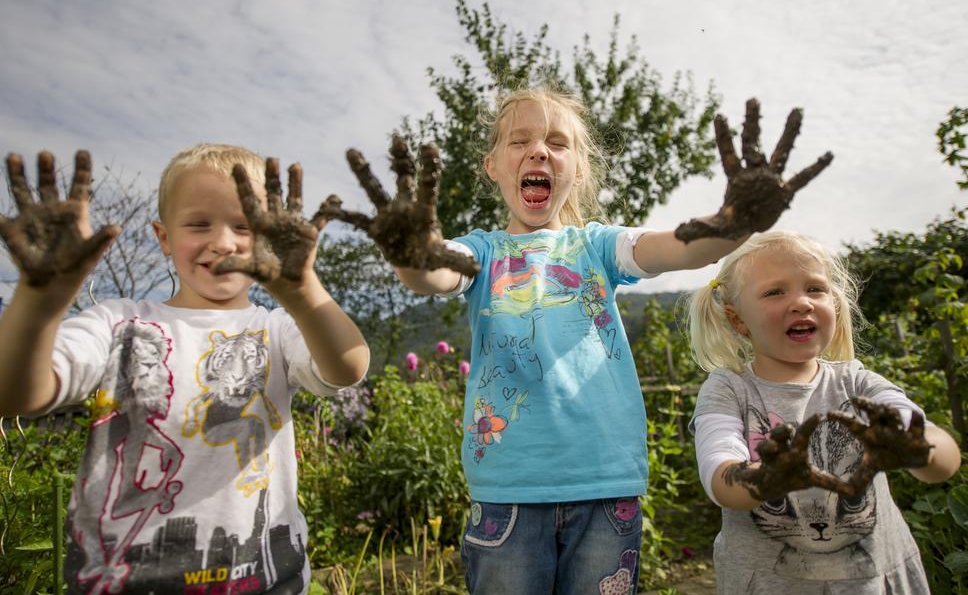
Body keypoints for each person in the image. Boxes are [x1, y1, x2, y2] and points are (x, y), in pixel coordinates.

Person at [319, 88, 833, 594]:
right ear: (491, 166)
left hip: (606, 489)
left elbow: (680, 248)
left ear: (580, 169)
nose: (539, 151)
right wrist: (411, 252)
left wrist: (735, 223)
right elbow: (434, 273)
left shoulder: (598, 246)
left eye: (557, 143)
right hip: (508, 494)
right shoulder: (483, 252)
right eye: (519, 141)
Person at [0, 145, 370, 594]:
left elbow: (349, 366)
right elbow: (16, 393)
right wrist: (38, 305)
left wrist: (304, 290)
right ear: (163, 236)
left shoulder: (276, 328)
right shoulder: (119, 323)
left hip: (267, 581)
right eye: (199, 224)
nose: (223, 242)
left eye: (245, 225)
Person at [686, 230, 961, 594]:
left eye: (815, 289)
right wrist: (771, 476)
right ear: (739, 321)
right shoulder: (729, 390)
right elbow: (720, 479)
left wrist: (916, 444)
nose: (802, 303)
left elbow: (942, 460)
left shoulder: (857, 382)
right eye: (775, 292)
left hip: (872, 581)